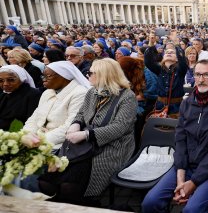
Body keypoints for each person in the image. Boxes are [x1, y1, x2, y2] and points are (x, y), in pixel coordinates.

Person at [38, 58, 137, 205]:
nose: (87, 75)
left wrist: (87, 134)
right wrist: (76, 124)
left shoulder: (127, 97)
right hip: (85, 145)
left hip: (111, 147)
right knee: (46, 184)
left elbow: (120, 127)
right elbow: (81, 114)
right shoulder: (92, 92)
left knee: (69, 187)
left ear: (105, 75)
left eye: (91, 73)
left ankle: (86, 203)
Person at [142, 60, 208, 213]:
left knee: (191, 210)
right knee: (150, 202)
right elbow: (180, 139)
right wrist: (181, 175)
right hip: (186, 165)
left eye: (206, 75)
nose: (201, 79)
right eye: (198, 74)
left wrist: (193, 182)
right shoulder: (187, 103)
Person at [23, 61, 90, 149]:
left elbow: (70, 126)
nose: (43, 79)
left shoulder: (80, 93)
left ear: (63, 76)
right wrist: (26, 136)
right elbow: (34, 118)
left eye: (48, 76)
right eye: (43, 76)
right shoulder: (47, 92)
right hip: (37, 140)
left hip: (61, 144)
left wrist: (40, 141)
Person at [144, 33, 188, 117]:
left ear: (176, 58)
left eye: (172, 52)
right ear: (163, 57)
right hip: (160, 106)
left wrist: (176, 44)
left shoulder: (180, 70)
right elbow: (148, 61)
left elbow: (182, 60)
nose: (169, 53)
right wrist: (151, 43)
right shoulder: (159, 69)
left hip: (177, 107)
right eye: (167, 52)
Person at [0, 65, 41, 130]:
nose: (5, 84)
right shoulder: (3, 95)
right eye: (1, 80)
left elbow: (32, 122)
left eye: (11, 80)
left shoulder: (33, 95)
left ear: (21, 79)